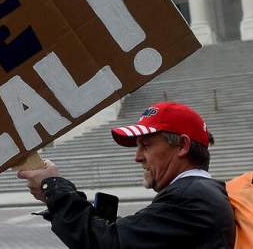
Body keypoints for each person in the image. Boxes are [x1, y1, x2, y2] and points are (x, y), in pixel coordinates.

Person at [18, 101, 236, 248]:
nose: (137, 157)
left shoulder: (189, 197)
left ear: (182, 146)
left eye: (146, 146)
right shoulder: (203, 191)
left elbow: (107, 243)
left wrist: (53, 187)